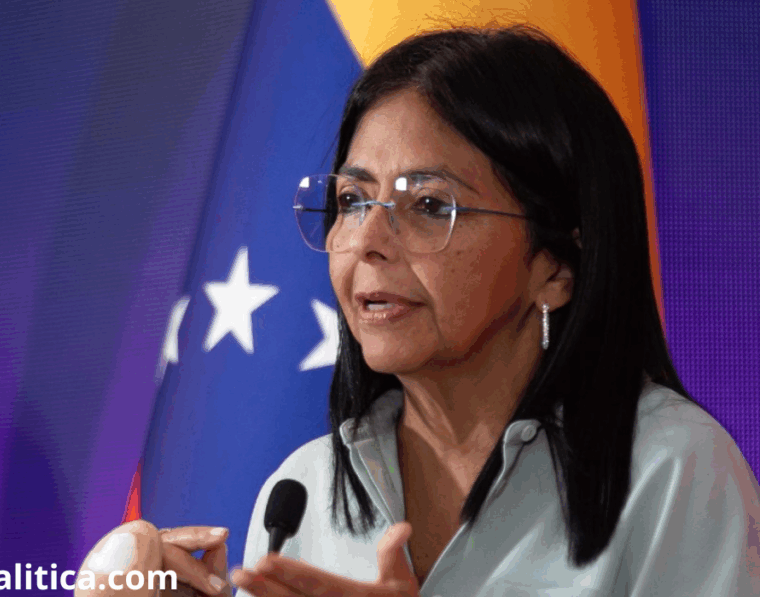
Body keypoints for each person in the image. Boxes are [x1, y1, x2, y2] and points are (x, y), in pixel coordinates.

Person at [75, 25, 760, 597]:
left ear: (555, 267)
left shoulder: (674, 470)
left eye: (429, 205)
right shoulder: (301, 491)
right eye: (352, 201)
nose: (367, 241)